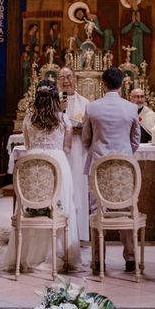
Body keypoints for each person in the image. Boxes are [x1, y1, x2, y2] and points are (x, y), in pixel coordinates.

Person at [2, 79, 82, 272]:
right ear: (55, 98)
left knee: (32, 206)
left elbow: (28, 146)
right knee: (63, 207)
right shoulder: (63, 120)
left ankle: (27, 255)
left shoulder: (29, 119)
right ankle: (68, 257)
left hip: (33, 163)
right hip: (57, 165)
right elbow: (67, 147)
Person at [82, 67, 140, 273]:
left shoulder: (92, 107)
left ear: (103, 84)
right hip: (125, 168)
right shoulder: (131, 108)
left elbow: (86, 138)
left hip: (98, 166)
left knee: (96, 211)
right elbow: (136, 140)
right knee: (126, 209)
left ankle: (98, 260)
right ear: (122, 84)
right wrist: (123, 154)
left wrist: (100, 152)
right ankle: (131, 258)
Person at [58, 67, 90, 241]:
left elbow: (91, 128)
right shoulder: (53, 102)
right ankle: (61, 233)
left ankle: (79, 233)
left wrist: (80, 129)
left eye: (69, 77)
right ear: (57, 81)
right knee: (61, 189)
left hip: (78, 151)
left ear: (75, 79)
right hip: (59, 150)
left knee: (78, 189)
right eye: (62, 77)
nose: (66, 81)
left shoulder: (85, 103)